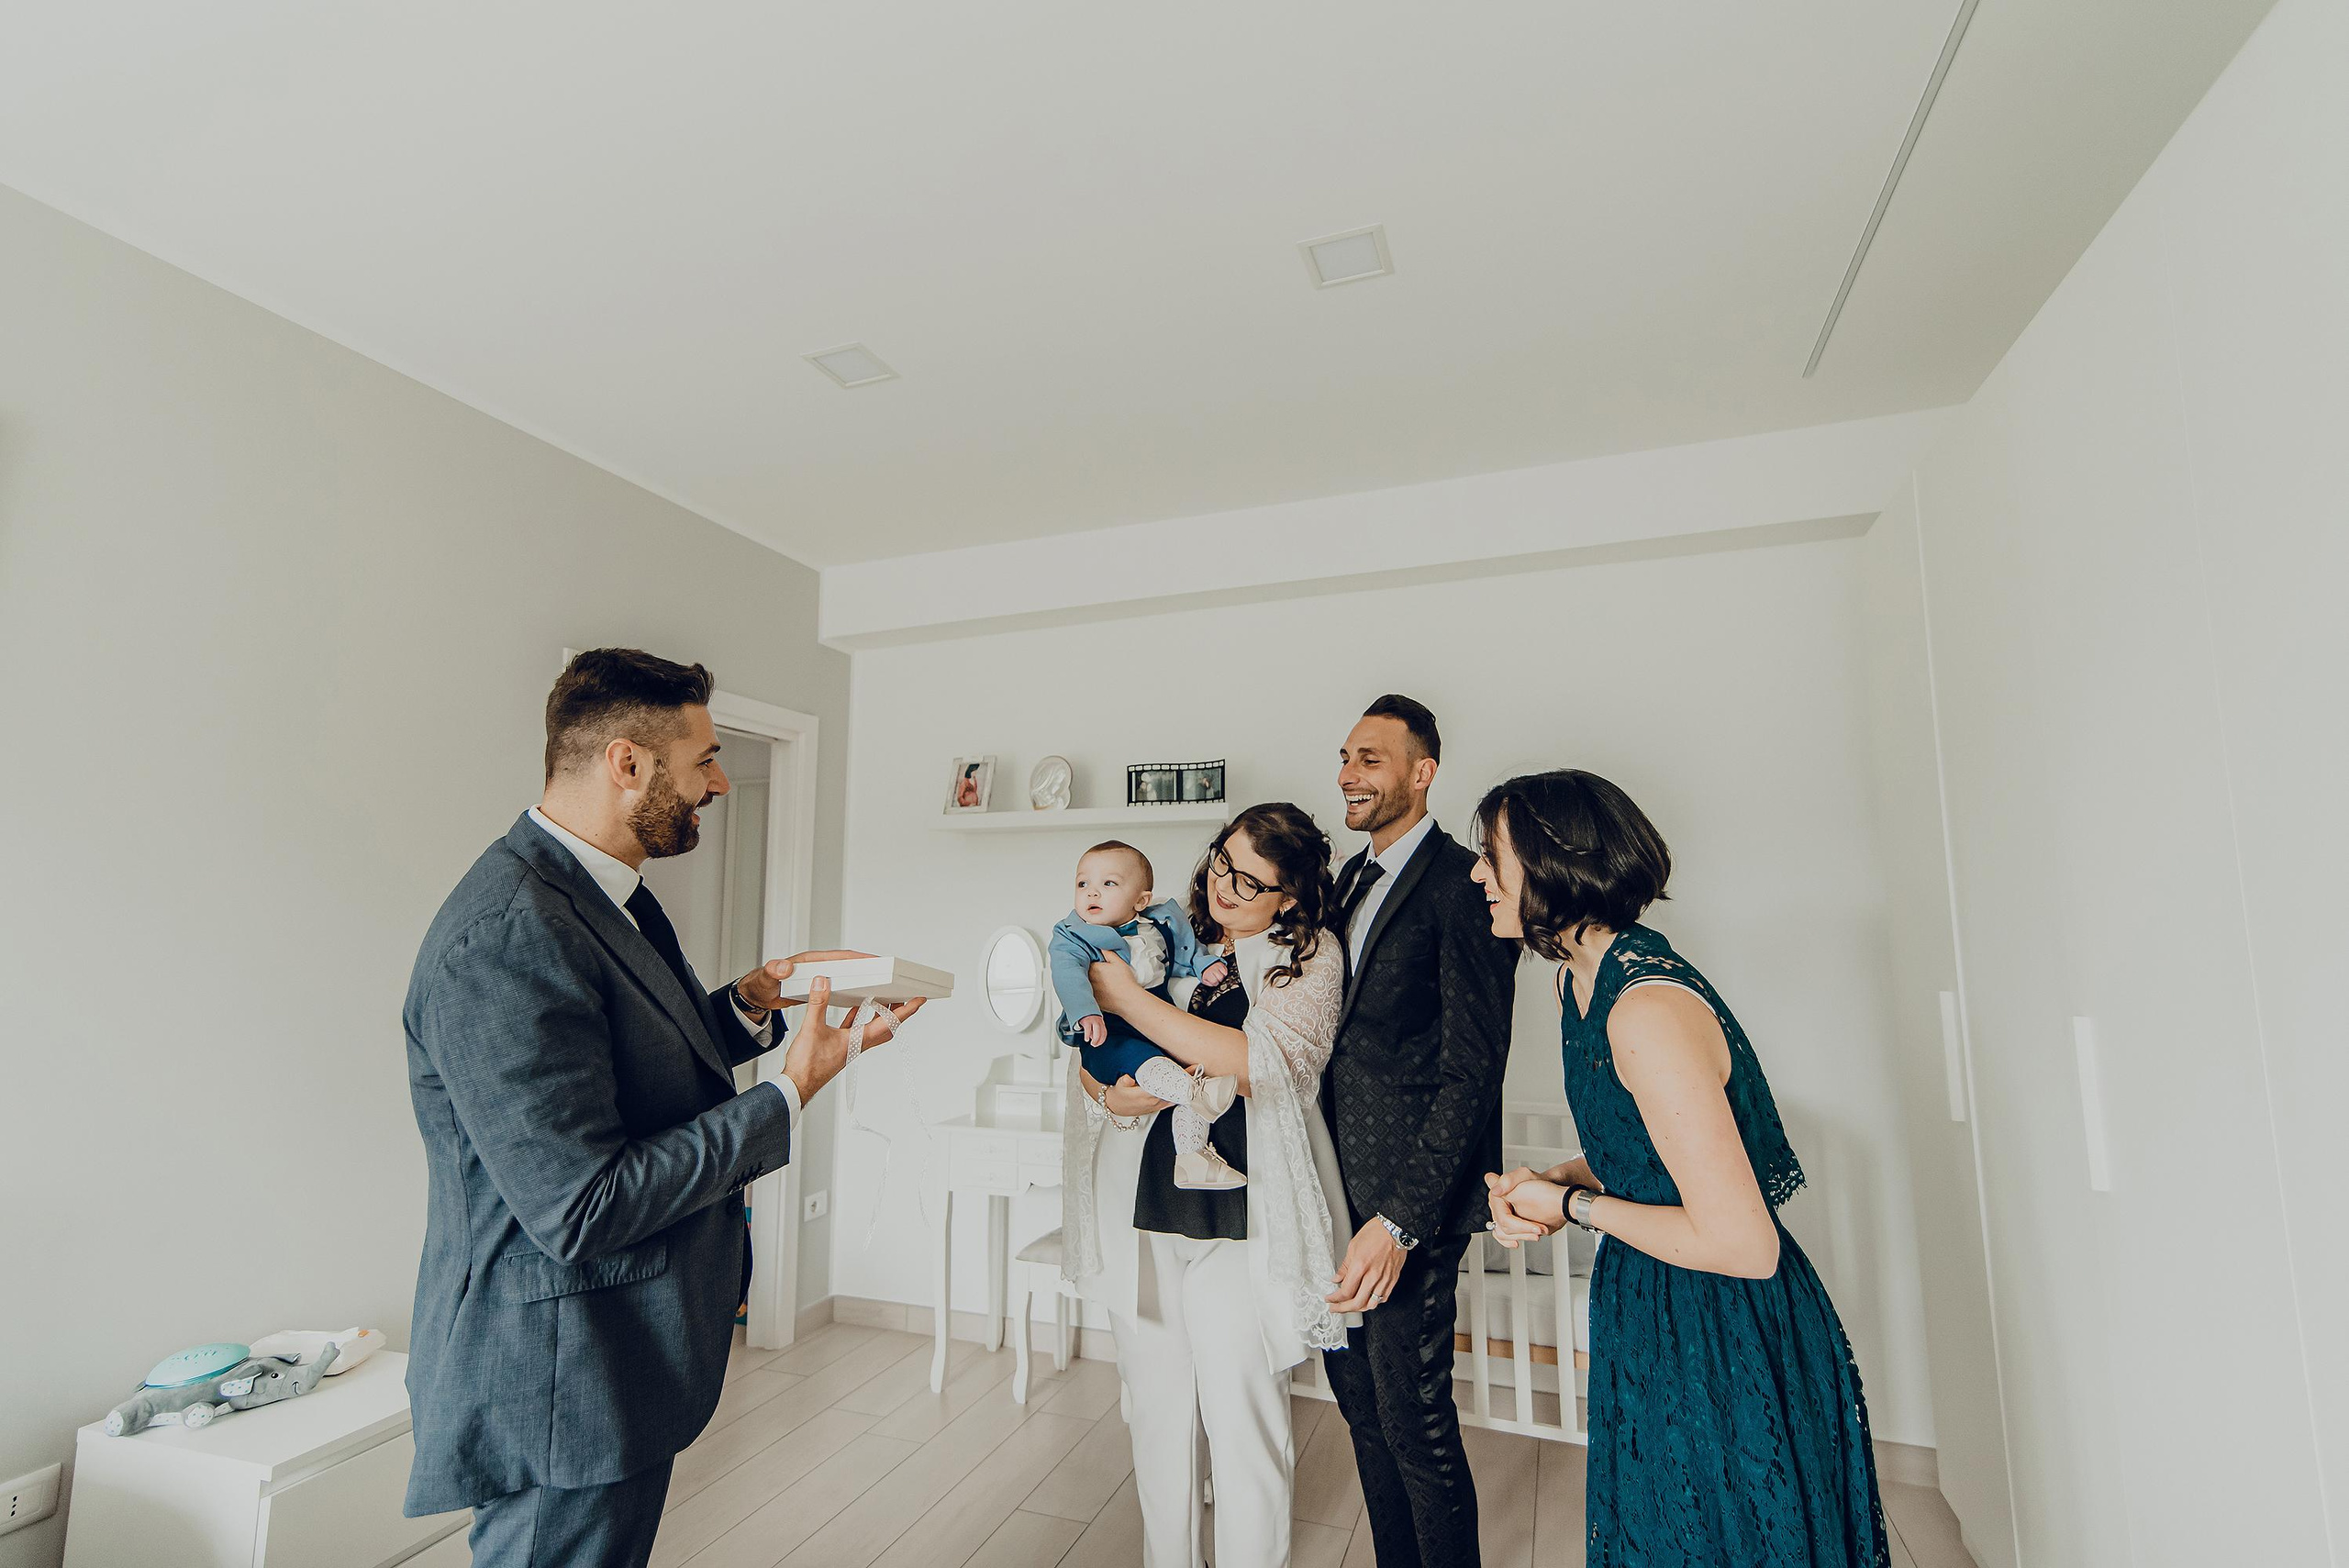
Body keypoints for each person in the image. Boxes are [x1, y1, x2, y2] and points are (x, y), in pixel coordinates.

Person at [401, 649, 924, 1568]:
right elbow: (581, 1203)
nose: (718, 782)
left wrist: (758, 998)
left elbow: (633, 1063)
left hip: (617, 1353)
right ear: (626, 763)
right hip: (559, 1371)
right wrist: (789, 1090)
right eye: (705, 759)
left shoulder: (612, 897)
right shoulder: (508, 935)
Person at [1477, 770, 1892, 1568]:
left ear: (1554, 862)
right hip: (1652, 1302)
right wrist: (1549, 1184)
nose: (1477, 874)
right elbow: (1642, 1151)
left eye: (1491, 855)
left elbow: (1745, 1245)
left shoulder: (1646, 1010)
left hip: (1721, 1320)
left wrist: (1572, 1207)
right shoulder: (1576, 981)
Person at [1061, 804, 1353, 1568]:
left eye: (1248, 879)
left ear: (1288, 896)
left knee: (1242, 1421)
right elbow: (1086, 1040)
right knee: (1155, 1419)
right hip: (1147, 1203)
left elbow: (1265, 1063)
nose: (1222, 885)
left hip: (1245, 1214)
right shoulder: (1153, 929)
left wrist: (1131, 999)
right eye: (1222, 861)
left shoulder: (1310, 955)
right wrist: (1104, 1094)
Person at [1320, 695, 1520, 1568]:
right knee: (1360, 1408)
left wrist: (1400, 1219)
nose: (1349, 774)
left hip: (1410, 1204)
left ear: (1422, 771)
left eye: (1370, 758)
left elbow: (1474, 1069)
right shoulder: (1342, 881)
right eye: (1345, 757)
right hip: (1331, 1191)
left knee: (1416, 1421)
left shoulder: (1463, 882)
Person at [1048, 840, 1239, 1189]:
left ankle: (1193, 1158)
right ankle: (1196, 1092)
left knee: (1186, 1076)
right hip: (1109, 1033)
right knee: (1152, 1064)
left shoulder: (1162, 920)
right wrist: (1085, 1011)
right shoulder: (1072, 935)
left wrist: (1201, 963)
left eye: (1109, 884)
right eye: (1083, 883)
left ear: (1141, 900)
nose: (1092, 893)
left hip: (1155, 1022)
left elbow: (1184, 948)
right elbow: (1066, 973)